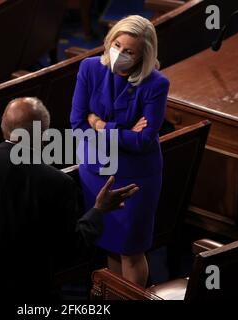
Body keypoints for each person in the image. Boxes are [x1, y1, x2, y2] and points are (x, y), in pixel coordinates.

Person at [0, 97, 139, 299]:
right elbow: (69, 251)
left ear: (3, 127)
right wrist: (98, 211)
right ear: (44, 136)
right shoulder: (58, 183)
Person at [70, 15, 170, 286]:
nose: (120, 54)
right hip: (96, 171)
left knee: (132, 250)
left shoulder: (155, 84)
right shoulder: (89, 68)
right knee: (111, 245)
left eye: (129, 51)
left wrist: (101, 124)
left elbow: (144, 141)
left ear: (143, 56)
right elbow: (78, 124)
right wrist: (123, 131)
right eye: (116, 45)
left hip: (135, 178)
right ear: (108, 41)